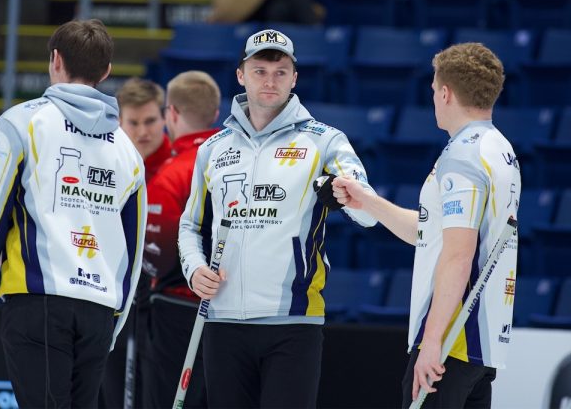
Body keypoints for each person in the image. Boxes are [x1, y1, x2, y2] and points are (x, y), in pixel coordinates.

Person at [178, 28, 377, 408]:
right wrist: (194, 268)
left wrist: (346, 195)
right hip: (222, 320)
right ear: (241, 75)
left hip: (293, 322)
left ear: (294, 79)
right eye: (260, 71)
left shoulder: (325, 141)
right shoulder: (212, 149)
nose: (270, 81)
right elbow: (191, 225)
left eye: (280, 72)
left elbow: (367, 216)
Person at [0, 19, 148, 408]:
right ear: (106, 71)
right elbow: (134, 248)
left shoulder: (22, 122)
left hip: (38, 302)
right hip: (99, 311)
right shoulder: (128, 151)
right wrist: (114, 323)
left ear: (55, 60)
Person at [331, 42, 521, 409]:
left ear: (446, 93)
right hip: (480, 343)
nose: (433, 97)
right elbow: (431, 233)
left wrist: (432, 341)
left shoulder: (463, 156)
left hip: (453, 341)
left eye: (434, 90)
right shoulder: (500, 149)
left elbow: (458, 255)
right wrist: (368, 201)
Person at [141, 70, 221, 409]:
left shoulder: (171, 174)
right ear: (215, 115)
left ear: (170, 113)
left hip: (177, 306)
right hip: (230, 310)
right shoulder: (239, 160)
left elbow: (155, 257)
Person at [99, 77, 171, 409]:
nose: (143, 131)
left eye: (151, 121)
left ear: (166, 117)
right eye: (134, 122)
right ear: (119, 122)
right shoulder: (107, 161)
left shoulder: (182, 166)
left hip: (166, 301)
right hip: (114, 294)